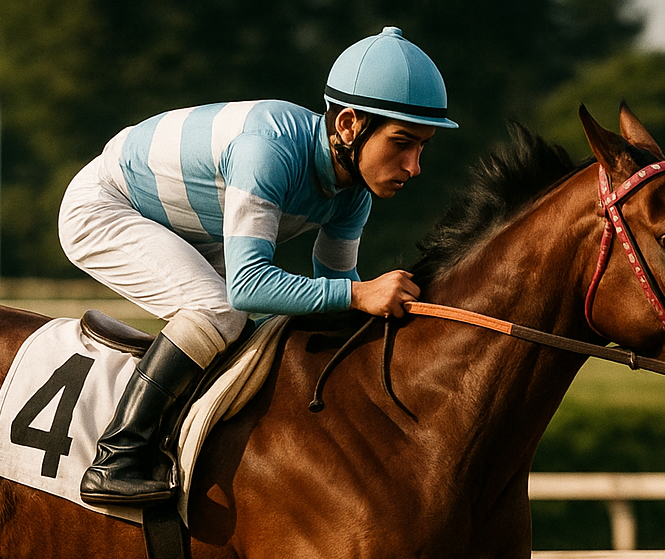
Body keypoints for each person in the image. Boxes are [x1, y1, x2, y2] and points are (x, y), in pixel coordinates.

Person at [59, 26, 457, 507]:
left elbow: (334, 295)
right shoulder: (268, 150)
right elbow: (248, 286)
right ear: (349, 125)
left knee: (258, 331)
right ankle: (116, 458)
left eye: (423, 147)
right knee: (220, 313)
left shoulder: (352, 194)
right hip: (108, 205)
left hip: (192, 227)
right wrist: (359, 293)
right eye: (402, 143)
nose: (414, 166)